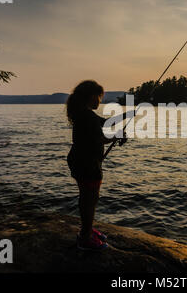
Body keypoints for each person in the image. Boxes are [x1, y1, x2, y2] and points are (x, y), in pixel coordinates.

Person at [66, 80, 132, 250]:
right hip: (87, 163)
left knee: (86, 197)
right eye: (98, 96)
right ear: (90, 96)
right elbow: (98, 139)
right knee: (90, 199)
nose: (100, 100)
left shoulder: (84, 114)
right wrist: (116, 136)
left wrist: (126, 115)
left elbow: (104, 123)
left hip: (81, 161)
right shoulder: (86, 116)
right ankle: (85, 238)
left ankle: (86, 230)